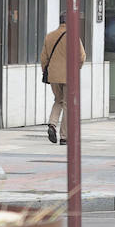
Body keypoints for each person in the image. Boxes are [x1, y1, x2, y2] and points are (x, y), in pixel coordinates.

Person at [39, 13, 86, 145]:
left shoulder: (50, 36)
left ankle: (52, 124)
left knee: (58, 100)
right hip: (69, 75)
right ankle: (64, 136)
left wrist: (46, 70)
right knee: (67, 104)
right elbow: (81, 56)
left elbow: (44, 58)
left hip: (53, 75)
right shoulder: (73, 36)